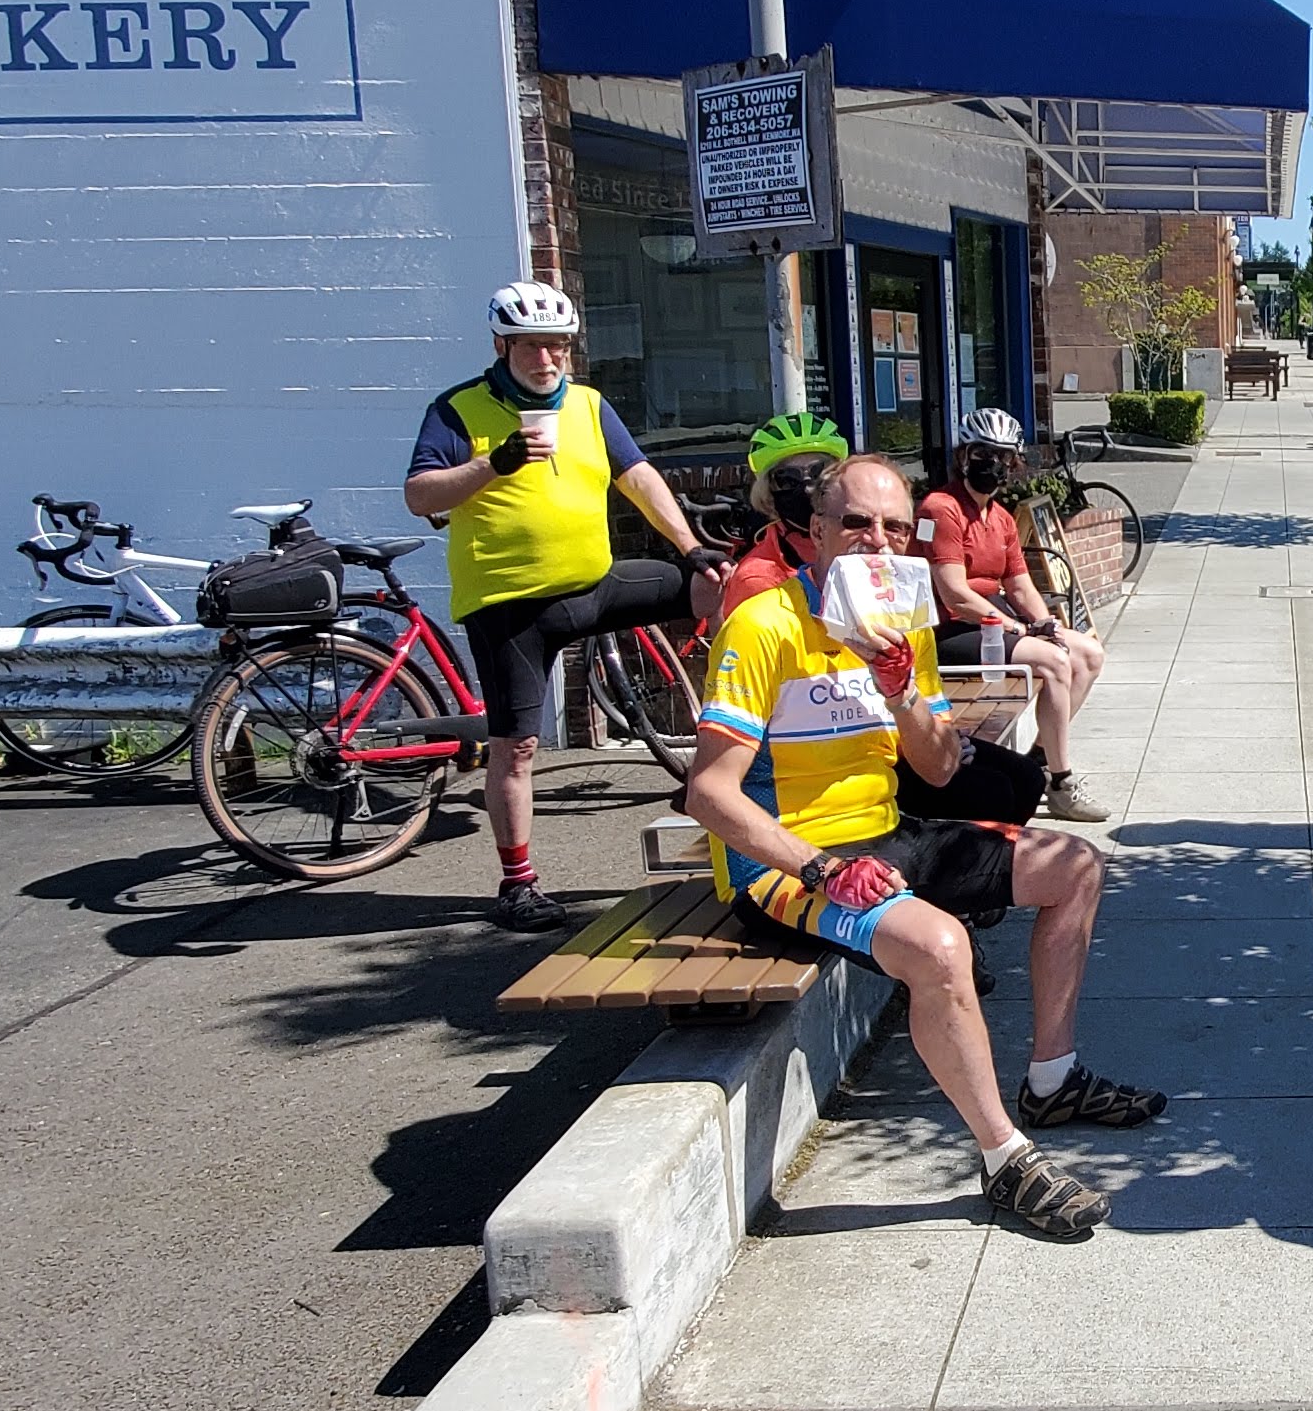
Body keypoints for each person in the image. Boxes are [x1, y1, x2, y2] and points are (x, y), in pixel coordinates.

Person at [676, 454, 1169, 1241]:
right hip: (786, 866)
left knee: (1074, 867)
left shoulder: (904, 622)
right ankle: (1005, 1157)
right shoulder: (764, 622)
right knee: (941, 947)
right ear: (815, 532)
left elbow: (939, 768)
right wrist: (822, 868)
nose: (877, 542)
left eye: (895, 528)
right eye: (856, 524)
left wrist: (901, 689)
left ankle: (1053, 1080)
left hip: (887, 833)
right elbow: (709, 793)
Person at [402, 281, 713, 932]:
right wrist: (494, 464)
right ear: (501, 345)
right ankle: (518, 886)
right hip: (511, 605)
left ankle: (714, 774)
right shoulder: (458, 409)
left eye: (558, 347)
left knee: (717, 587)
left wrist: (690, 548)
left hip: (592, 584)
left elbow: (638, 477)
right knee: (516, 747)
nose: (547, 359)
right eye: (531, 347)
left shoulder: (589, 405)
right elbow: (421, 496)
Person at [918, 408, 1112, 823]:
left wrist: (1047, 624)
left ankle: (1039, 758)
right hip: (951, 628)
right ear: (963, 455)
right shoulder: (941, 509)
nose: (993, 463)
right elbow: (954, 593)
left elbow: (1021, 585)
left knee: (1087, 654)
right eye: (983, 453)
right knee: (1055, 662)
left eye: (1003, 456)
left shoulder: (1002, 517)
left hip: (993, 621)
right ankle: (1061, 784)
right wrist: (1016, 627)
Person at [713, 411, 852, 623]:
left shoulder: (872, 541)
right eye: (788, 479)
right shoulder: (757, 580)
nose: (808, 488)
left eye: (819, 472)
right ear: (768, 491)